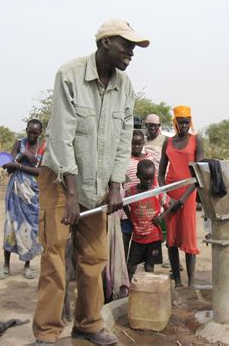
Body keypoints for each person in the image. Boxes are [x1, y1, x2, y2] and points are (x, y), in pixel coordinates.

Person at [32, 19, 149, 346]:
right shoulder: (69, 75)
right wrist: (71, 193)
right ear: (105, 43)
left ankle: (88, 323)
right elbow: (61, 135)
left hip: (98, 185)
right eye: (126, 45)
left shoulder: (125, 86)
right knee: (55, 258)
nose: (131, 52)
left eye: (134, 47)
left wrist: (116, 185)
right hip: (60, 180)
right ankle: (47, 332)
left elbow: (124, 137)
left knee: (94, 259)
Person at [158, 105, 203, 288]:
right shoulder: (167, 142)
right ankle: (177, 280)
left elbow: (198, 174)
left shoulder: (197, 140)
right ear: (175, 122)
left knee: (188, 236)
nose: (184, 125)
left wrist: (182, 200)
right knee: (172, 239)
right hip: (171, 195)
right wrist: (167, 196)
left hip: (189, 194)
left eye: (187, 122)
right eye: (180, 122)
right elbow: (160, 174)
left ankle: (191, 282)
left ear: (190, 122)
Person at [0, 119, 44, 280]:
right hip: (15, 191)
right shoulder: (19, 143)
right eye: (30, 131)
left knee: (30, 228)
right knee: (10, 226)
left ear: (40, 134)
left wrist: (20, 166)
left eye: (35, 133)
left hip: (31, 194)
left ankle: (27, 265)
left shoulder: (43, 147)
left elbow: (41, 172)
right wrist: (23, 155)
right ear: (26, 129)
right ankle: (6, 266)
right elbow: (9, 168)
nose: (31, 135)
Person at [123, 159, 169, 279]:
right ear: (138, 176)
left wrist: (161, 217)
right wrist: (130, 218)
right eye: (145, 178)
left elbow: (171, 204)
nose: (149, 182)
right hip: (138, 237)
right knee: (131, 266)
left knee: (149, 267)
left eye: (151, 178)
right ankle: (129, 290)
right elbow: (123, 203)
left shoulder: (157, 192)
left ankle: (148, 290)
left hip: (153, 237)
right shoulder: (132, 192)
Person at [119, 130, 155, 268]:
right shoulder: (124, 160)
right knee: (125, 238)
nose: (136, 147)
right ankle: (123, 270)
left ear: (143, 143)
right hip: (126, 211)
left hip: (144, 211)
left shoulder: (149, 158)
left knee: (143, 241)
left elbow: (154, 183)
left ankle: (142, 269)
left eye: (139, 144)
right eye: (133, 144)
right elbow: (120, 183)